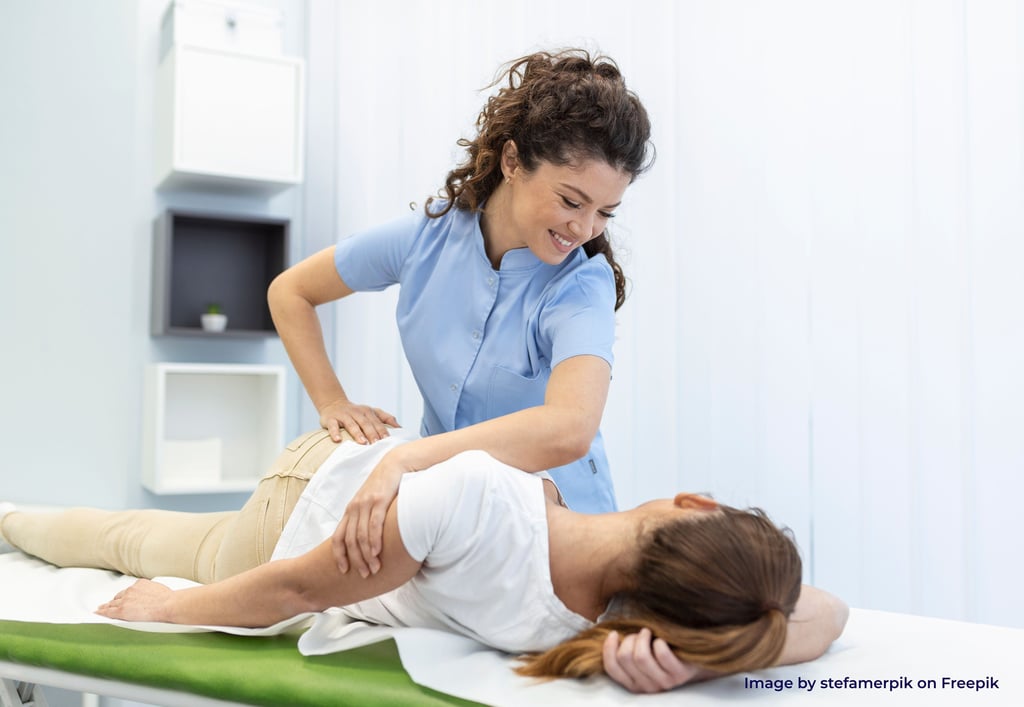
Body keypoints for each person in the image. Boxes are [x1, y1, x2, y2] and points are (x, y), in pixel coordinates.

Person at [0, 430, 848, 690]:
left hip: (292, 518)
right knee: (130, 534)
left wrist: (172, 608)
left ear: (695, 504)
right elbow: (821, 612)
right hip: (346, 489)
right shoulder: (614, 619)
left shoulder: (479, 499)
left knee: (126, 542)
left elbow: (296, 585)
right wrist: (691, 657)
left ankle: (11, 519)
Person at [266, 48, 654, 584]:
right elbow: (291, 292)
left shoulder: (580, 284)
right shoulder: (427, 239)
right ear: (513, 162)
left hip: (556, 535)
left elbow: (569, 429)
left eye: (605, 213)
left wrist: (409, 459)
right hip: (442, 523)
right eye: (571, 201)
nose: (586, 228)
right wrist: (332, 402)